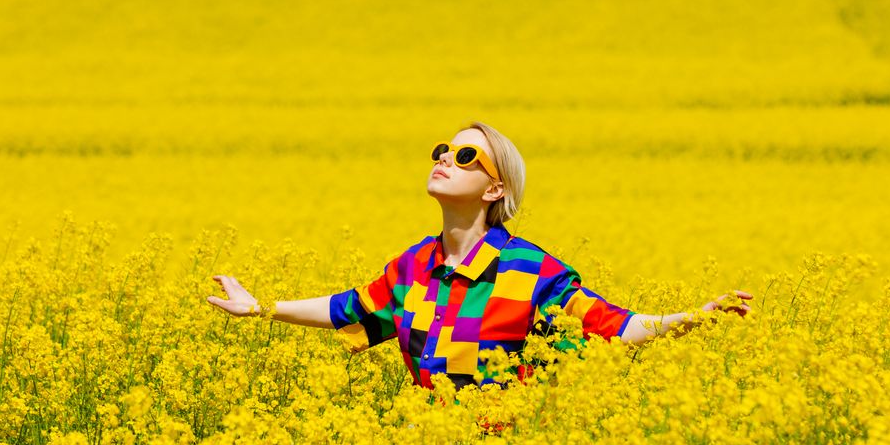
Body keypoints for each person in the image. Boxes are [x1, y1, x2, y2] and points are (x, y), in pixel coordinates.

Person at [207, 121, 752, 395]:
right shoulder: (414, 266)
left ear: (496, 190)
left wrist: (693, 319)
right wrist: (260, 308)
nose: (446, 158)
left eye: (467, 155)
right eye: (442, 150)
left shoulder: (532, 270)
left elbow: (616, 328)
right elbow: (349, 310)